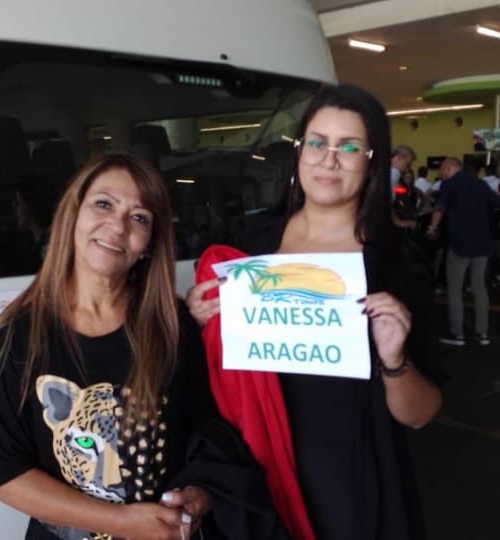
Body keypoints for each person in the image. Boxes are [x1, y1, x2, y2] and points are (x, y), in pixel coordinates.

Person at [186, 83, 442, 540]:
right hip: (255, 465)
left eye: (350, 147)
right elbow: (215, 361)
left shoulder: (397, 263)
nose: (329, 159)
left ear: (372, 162)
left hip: (351, 480)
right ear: (300, 152)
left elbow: (420, 414)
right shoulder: (253, 241)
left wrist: (394, 360)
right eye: (318, 143)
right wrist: (200, 314)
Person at [0, 153, 219, 540]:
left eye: (139, 217)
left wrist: (200, 496)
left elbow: (211, 437)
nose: (118, 226)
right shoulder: (18, 333)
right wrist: (123, 523)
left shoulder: (173, 325)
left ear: (149, 243)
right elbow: (6, 475)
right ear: (72, 215)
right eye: (103, 204)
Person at [428, 157, 500, 346]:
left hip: (460, 244)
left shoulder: (449, 184)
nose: (441, 173)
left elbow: (440, 208)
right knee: (479, 287)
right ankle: (483, 334)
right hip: (482, 244)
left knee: (455, 289)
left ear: (450, 168)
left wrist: (432, 227)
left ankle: (457, 334)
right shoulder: (479, 183)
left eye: (442, 170)